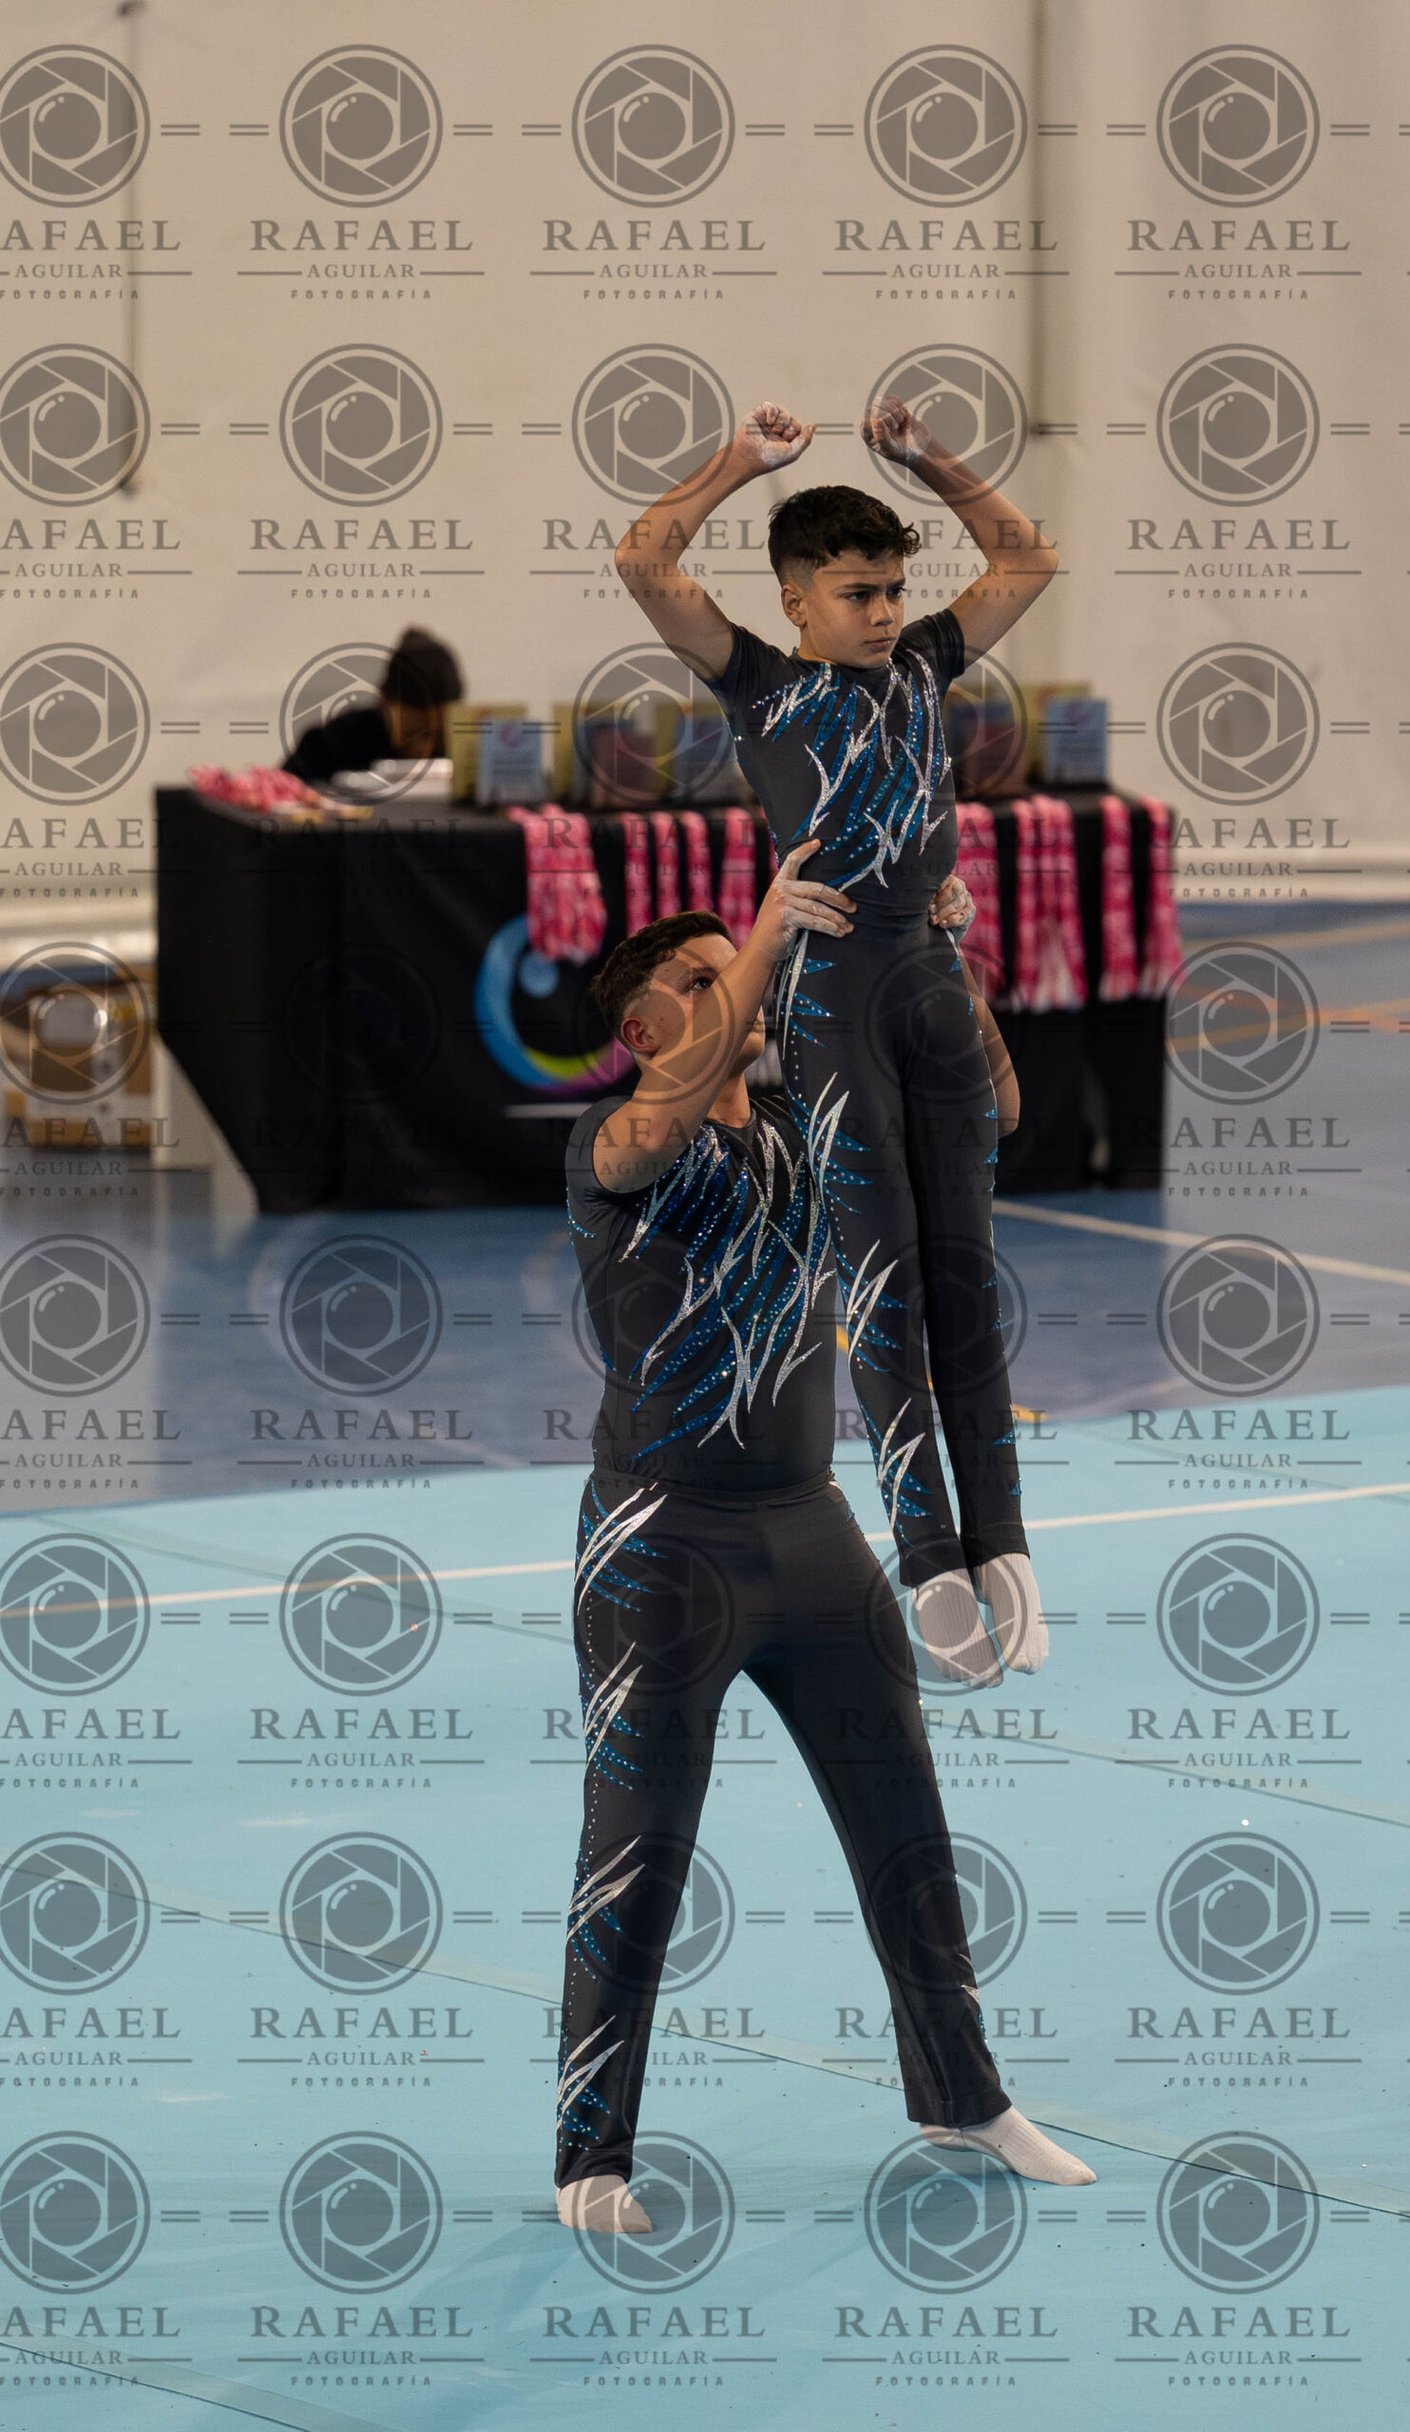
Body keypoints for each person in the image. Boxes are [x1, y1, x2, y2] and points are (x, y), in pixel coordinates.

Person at [554, 851, 1096, 2233]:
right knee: (640, 1850)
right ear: (643, 1029)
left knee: (906, 1821)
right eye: (698, 981)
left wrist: (943, 963)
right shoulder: (614, 1147)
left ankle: (963, 2093)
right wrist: (761, 938)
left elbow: (989, 1110)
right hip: (660, 1548)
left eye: (730, 972)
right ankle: (591, 2156)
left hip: (811, 1531)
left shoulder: (809, 1127)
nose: (733, 990)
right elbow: (665, 1121)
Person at [612, 395, 1059, 1683]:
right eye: (857, 592)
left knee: (964, 1277)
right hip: (831, 999)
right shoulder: (762, 684)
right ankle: (928, 1561)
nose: (883, 610)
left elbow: (1026, 557)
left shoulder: (922, 664)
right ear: (796, 600)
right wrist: (738, 460)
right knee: (884, 1289)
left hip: (929, 984)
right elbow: (644, 558)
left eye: (893, 588)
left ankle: (1007, 1549)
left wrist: (928, 459)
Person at [280, 626, 463, 784]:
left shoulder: (468, 752)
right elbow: (278, 793)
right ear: (383, 700)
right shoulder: (333, 744)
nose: (423, 750)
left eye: (439, 736)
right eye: (411, 734)